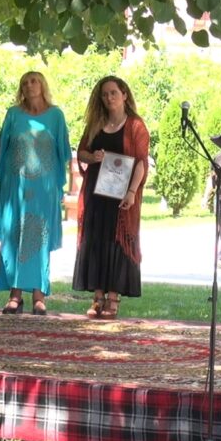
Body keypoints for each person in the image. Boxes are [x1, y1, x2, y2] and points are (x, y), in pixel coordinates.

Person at [72, 76, 150, 319]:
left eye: (113, 93)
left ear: (124, 94)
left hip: (121, 195)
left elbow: (141, 163)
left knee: (116, 241)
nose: (109, 98)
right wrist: (92, 157)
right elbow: (81, 152)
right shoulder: (96, 123)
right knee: (96, 239)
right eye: (105, 94)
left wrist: (131, 193)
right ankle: (98, 296)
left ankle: (113, 297)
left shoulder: (136, 126)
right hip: (96, 192)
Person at [0, 71, 71, 316]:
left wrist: (61, 186)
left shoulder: (56, 116)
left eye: (34, 81)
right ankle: (15, 295)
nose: (29, 85)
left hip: (43, 190)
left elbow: (63, 153)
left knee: (39, 237)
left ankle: (39, 295)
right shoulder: (13, 115)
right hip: (14, 188)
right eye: (25, 82)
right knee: (15, 235)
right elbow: (1, 150)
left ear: (43, 85)